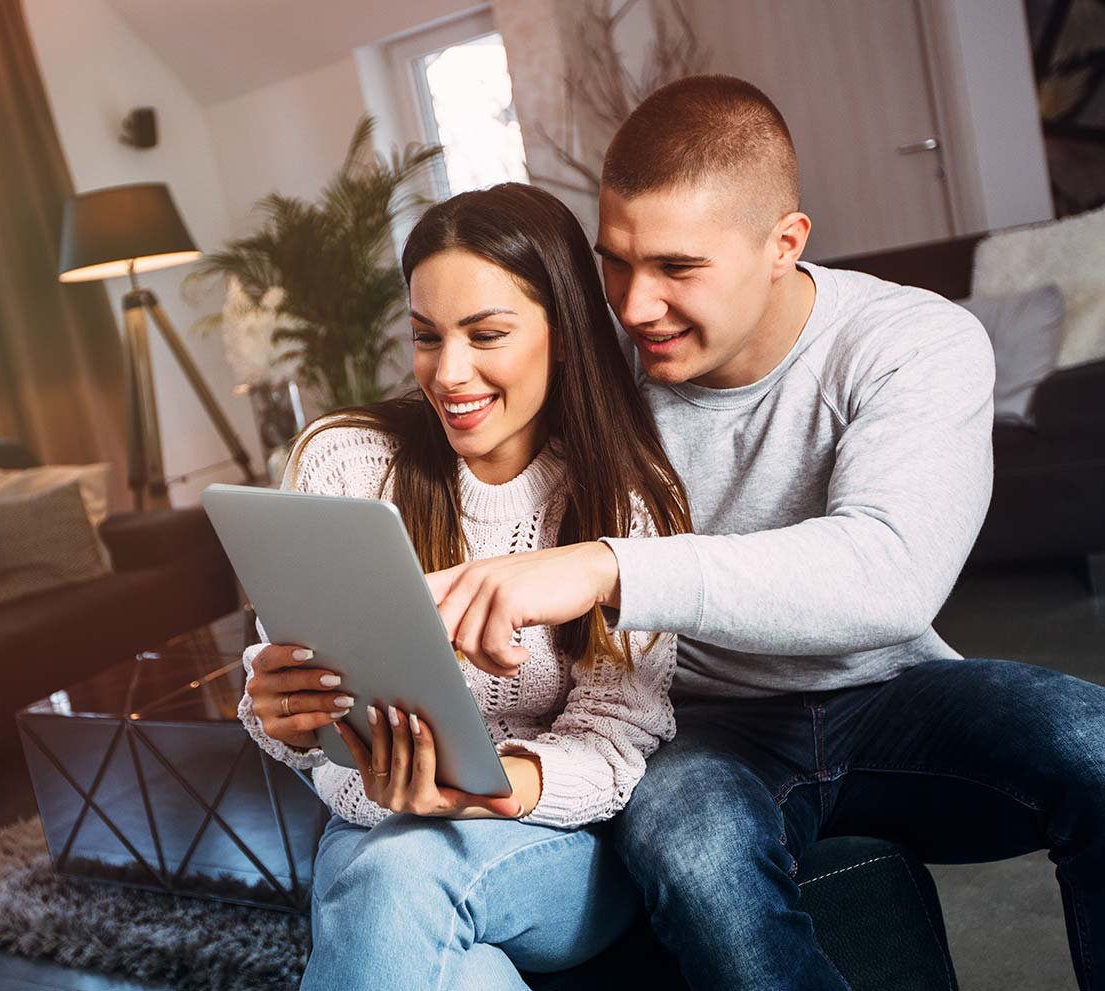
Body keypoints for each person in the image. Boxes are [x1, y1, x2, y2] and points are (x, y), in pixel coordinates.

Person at [425, 74, 1105, 989]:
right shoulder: (599, 371)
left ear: (785, 244)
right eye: (616, 261)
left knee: (1095, 745)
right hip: (701, 727)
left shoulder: (913, 341)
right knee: (697, 853)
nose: (632, 305)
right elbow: (462, 412)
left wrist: (608, 567)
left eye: (677, 268)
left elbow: (888, 574)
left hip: (889, 689)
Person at [236, 182, 692, 991]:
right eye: (425, 336)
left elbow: (619, 742)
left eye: (486, 334)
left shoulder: (625, 495)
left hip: (558, 845)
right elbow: (306, 703)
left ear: (566, 332)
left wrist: (474, 792)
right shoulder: (345, 462)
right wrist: (283, 714)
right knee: (457, 967)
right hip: (375, 826)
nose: (448, 373)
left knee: (396, 877)